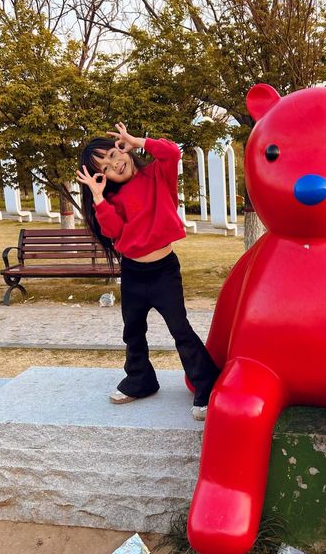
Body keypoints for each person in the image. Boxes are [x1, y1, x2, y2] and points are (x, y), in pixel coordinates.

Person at [76, 122, 220, 421]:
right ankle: (141, 381)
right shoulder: (111, 199)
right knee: (133, 331)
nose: (115, 164)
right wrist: (99, 197)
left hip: (164, 271)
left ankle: (207, 384)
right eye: (105, 167)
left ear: (123, 149)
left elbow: (171, 152)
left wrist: (138, 140)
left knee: (180, 329)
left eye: (114, 154)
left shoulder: (156, 174)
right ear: (101, 177)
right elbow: (113, 230)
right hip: (132, 273)